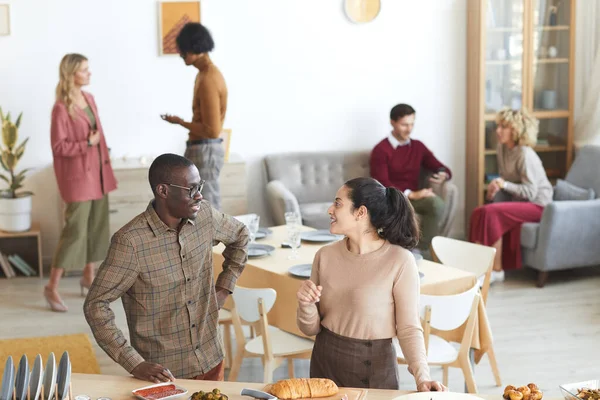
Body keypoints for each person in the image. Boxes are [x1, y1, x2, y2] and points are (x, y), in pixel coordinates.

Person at [83, 154, 248, 382]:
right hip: (164, 375)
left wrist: (223, 288)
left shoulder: (205, 216)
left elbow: (241, 235)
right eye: (191, 189)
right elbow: (95, 305)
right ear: (163, 191)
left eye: (199, 186)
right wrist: (134, 363)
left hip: (211, 359)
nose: (199, 195)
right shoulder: (130, 242)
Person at [296, 177, 446, 391]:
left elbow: (409, 328)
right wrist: (305, 305)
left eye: (338, 203)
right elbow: (310, 328)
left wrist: (423, 377)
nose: (330, 209)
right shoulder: (324, 256)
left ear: (361, 212)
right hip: (323, 362)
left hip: (373, 369)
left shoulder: (400, 261)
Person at [46, 53, 117, 312]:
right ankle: (51, 287)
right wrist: (87, 143)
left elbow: (99, 134)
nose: (89, 74)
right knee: (75, 232)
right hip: (78, 178)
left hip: (97, 173)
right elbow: (58, 146)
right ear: (72, 74)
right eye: (85, 70)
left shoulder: (89, 99)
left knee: (96, 227)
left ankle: (89, 276)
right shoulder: (61, 108)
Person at [469, 108, 552, 283]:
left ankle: (497, 271)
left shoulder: (525, 154)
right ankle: (479, 268)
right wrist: (495, 188)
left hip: (538, 205)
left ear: (516, 130)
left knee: (492, 213)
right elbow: (506, 178)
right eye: (498, 126)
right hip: (520, 201)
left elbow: (531, 192)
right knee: (480, 211)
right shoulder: (502, 148)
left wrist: (504, 184)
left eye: (504, 127)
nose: (498, 130)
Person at [161, 22, 228, 211]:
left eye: (184, 51)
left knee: (208, 206)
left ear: (195, 48)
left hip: (205, 149)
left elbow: (212, 129)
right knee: (197, 204)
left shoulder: (208, 78)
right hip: (201, 148)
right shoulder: (203, 74)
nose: (181, 56)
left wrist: (181, 122)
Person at [370, 104, 452, 252]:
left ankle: (424, 251)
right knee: (431, 203)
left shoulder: (418, 147)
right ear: (392, 122)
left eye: (412, 124)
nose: (409, 129)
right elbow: (382, 184)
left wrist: (443, 174)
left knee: (436, 204)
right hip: (391, 200)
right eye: (404, 125)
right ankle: (417, 252)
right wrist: (411, 194)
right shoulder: (381, 150)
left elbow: (441, 167)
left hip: (412, 200)